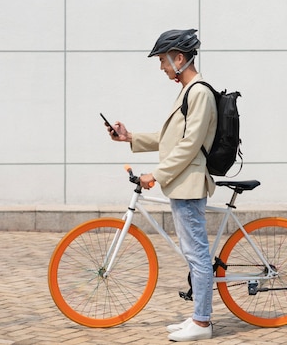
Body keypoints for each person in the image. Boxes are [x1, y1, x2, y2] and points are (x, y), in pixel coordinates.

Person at [107, 29, 217, 342]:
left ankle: (203, 322)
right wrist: (130, 138)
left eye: (163, 61)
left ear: (179, 58)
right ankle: (197, 317)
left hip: (189, 185)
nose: (162, 68)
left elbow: (190, 145)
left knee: (197, 255)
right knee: (193, 254)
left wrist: (156, 174)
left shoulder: (199, 92)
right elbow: (172, 139)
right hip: (181, 185)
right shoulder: (187, 92)